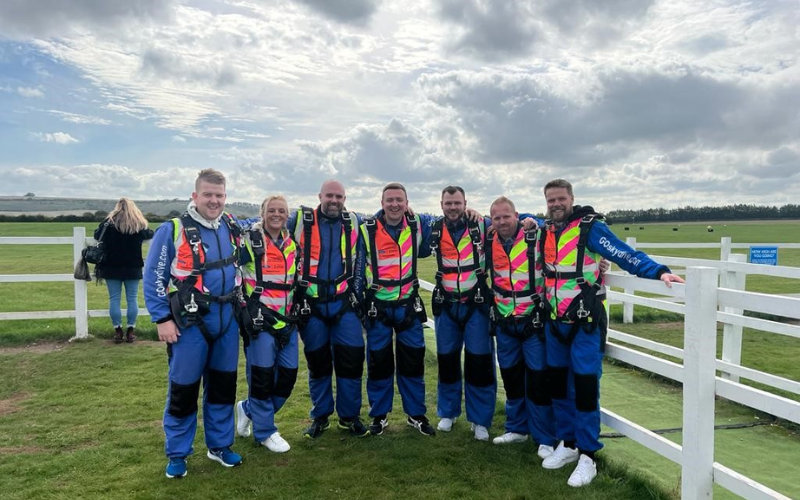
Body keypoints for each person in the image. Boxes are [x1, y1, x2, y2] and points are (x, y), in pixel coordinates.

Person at [538, 179, 684, 487]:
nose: (556, 204)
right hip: (554, 322)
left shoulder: (590, 229)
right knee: (559, 387)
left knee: (585, 387)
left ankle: (588, 455)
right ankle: (568, 443)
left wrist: (658, 271)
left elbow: (623, 254)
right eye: (551, 200)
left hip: (585, 322)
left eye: (560, 199)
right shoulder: (546, 230)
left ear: (572, 199)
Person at [144, 168, 244, 479]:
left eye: (219, 195)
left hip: (227, 320)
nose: (214, 201)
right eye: (208, 195)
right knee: (184, 389)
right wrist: (162, 319)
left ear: (225, 197)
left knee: (223, 388)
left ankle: (219, 446)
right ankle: (177, 453)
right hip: (189, 323)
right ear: (195, 196)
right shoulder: (172, 230)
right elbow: (153, 279)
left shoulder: (231, 226)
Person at [289, 180, 368, 439]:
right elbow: (270, 223)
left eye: (339, 196)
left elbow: (383, 218)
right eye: (330, 196)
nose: (334, 201)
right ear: (320, 196)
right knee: (319, 364)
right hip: (311, 305)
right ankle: (320, 416)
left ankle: (349, 416)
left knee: (352, 362)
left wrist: (410, 210)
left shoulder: (353, 221)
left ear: (345, 198)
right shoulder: (300, 219)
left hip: (343, 304)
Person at [360, 182, 437, 436]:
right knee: (379, 364)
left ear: (406, 203)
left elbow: (444, 217)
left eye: (399, 200)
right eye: (390, 200)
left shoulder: (417, 225)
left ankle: (415, 414)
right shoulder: (366, 229)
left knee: (412, 363)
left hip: (407, 306)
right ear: (382, 203)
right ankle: (379, 416)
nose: (394, 204)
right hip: (378, 307)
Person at [484, 196, 558, 458]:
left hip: (532, 321)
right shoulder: (488, 238)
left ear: (516, 215)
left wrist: (533, 219)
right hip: (504, 321)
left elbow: (555, 233)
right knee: (512, 377)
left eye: (507, 216)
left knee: (538, 379)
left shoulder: (534, 235)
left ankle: (545, 438)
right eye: (497, 218)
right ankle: (516, 428)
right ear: (491, 220)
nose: (502, 222)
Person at [234, 196, 299, 453]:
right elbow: (232, 270)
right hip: (260, 321)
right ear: (262, 213)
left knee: (287, 377)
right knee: (261, 379)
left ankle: (248, 409)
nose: (276, 214)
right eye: (271, 210)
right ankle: (265, 432)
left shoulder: (292, 242)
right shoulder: (250, 239)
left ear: (287, 215)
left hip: (287, 321)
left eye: (281, 211)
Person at [429, 186, 495, 441]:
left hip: (476, 304)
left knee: (479, 363)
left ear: (465, 203)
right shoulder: (432, 228)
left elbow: (510, 221)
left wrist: (532, 220)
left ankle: (480, 420)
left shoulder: (482, 225)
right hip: (446, 304)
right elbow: (400, 216)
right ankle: (448, 412)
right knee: (447, 360)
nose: (453, 207)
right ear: (441, 204)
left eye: (457, 203)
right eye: (448, 203)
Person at [94, 197, 154, 343]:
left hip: (111, 266)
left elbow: (97, 235)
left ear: (117, 207)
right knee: (132, 299)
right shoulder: (138, 224)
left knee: (114, 299)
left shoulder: (109, 223)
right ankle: (130, 331)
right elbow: (150, 233)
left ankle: (118, 331)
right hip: (133, 267)